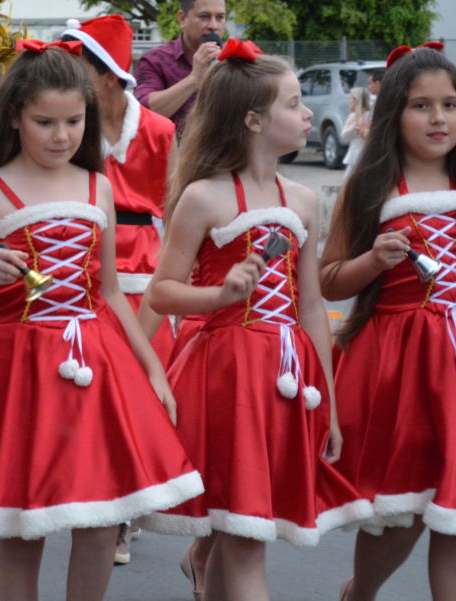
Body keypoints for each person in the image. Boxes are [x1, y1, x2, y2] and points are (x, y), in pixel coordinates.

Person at [0, 40, 201, 601]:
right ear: (14, 116)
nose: (61, 135)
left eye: (73, 121)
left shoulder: (98, 186)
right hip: (16, 371)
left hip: (95, 361)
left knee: (99, 516)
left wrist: (153, 372)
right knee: (24, 522)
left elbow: (110, 291)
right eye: (45, 122)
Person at [143, 39, 371, 601]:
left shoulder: (305, 200)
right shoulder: (204, 197)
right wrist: (220, 293)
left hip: (288, 379)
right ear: (252, 120)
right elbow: (163, 291)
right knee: (243, 537)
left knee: (243, 531)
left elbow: (312, 304)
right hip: (228, 378)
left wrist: (331, 403)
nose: (308, 112)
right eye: (293, 103)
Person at [320, 44, 456, 601]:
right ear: (393, 113)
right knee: (402, 511)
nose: (439, 119)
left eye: (450, 104)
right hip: (401, 366)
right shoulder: (366, 187)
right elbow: (328, 280)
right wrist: (373, 261)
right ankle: (359, 593)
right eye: (421, 106)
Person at [62, 14, 179, 566]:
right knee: (91, 400)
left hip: (143, 281)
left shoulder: (160, 131)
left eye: (79, 63)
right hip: (83, 279)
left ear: (107, 75)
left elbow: (176, 217)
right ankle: (92, 502)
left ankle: (124, 516)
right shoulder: (67, 127)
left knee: (139, 401)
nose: (68, 71)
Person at [134, 0, 227, 134]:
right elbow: (143, 113)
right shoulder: (155, 60)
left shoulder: (234, 59)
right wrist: (194, 79)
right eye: (204, 16)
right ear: (182, 19)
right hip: (173, 155)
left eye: (220, 17)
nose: (213, 25)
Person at [341, 87, 371, 177]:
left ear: (356, 100)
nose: (348, 101)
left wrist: (364, 130)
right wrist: (354, 127)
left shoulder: (370, 116)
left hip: (366, 157)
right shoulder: (352, 116)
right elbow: (343, 136)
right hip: (354, 156)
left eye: (350, 98)